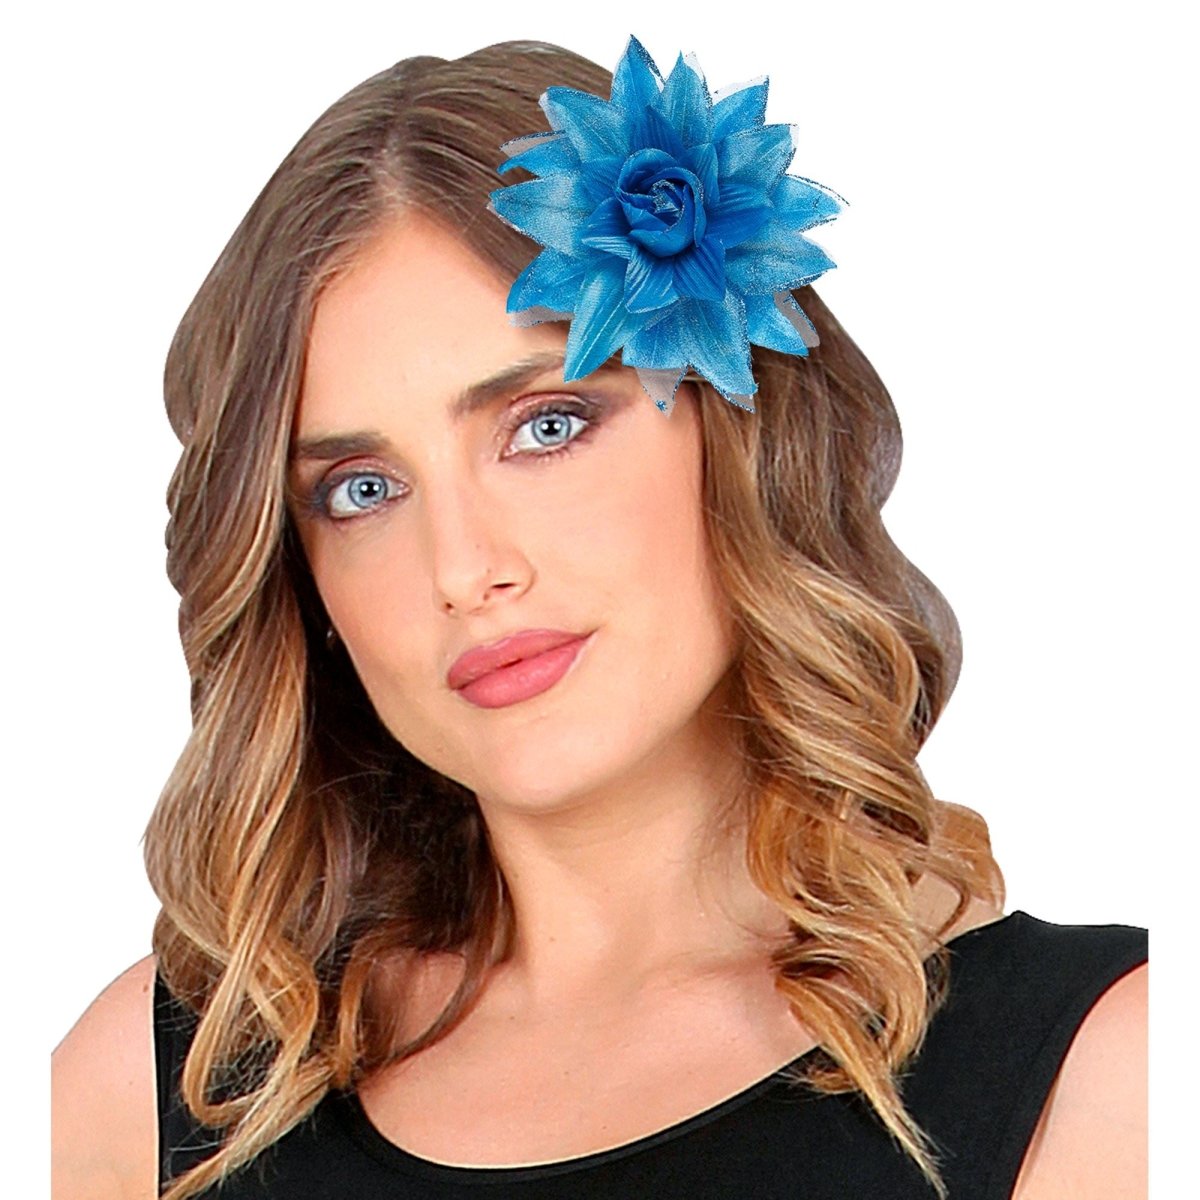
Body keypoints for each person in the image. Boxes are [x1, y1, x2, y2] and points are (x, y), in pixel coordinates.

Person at [50, 34, 1148, 1200]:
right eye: (363, 491)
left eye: (546, 426)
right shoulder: (159, 1095)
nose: (464, 569)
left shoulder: (1111, 1080)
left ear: (741, 439)